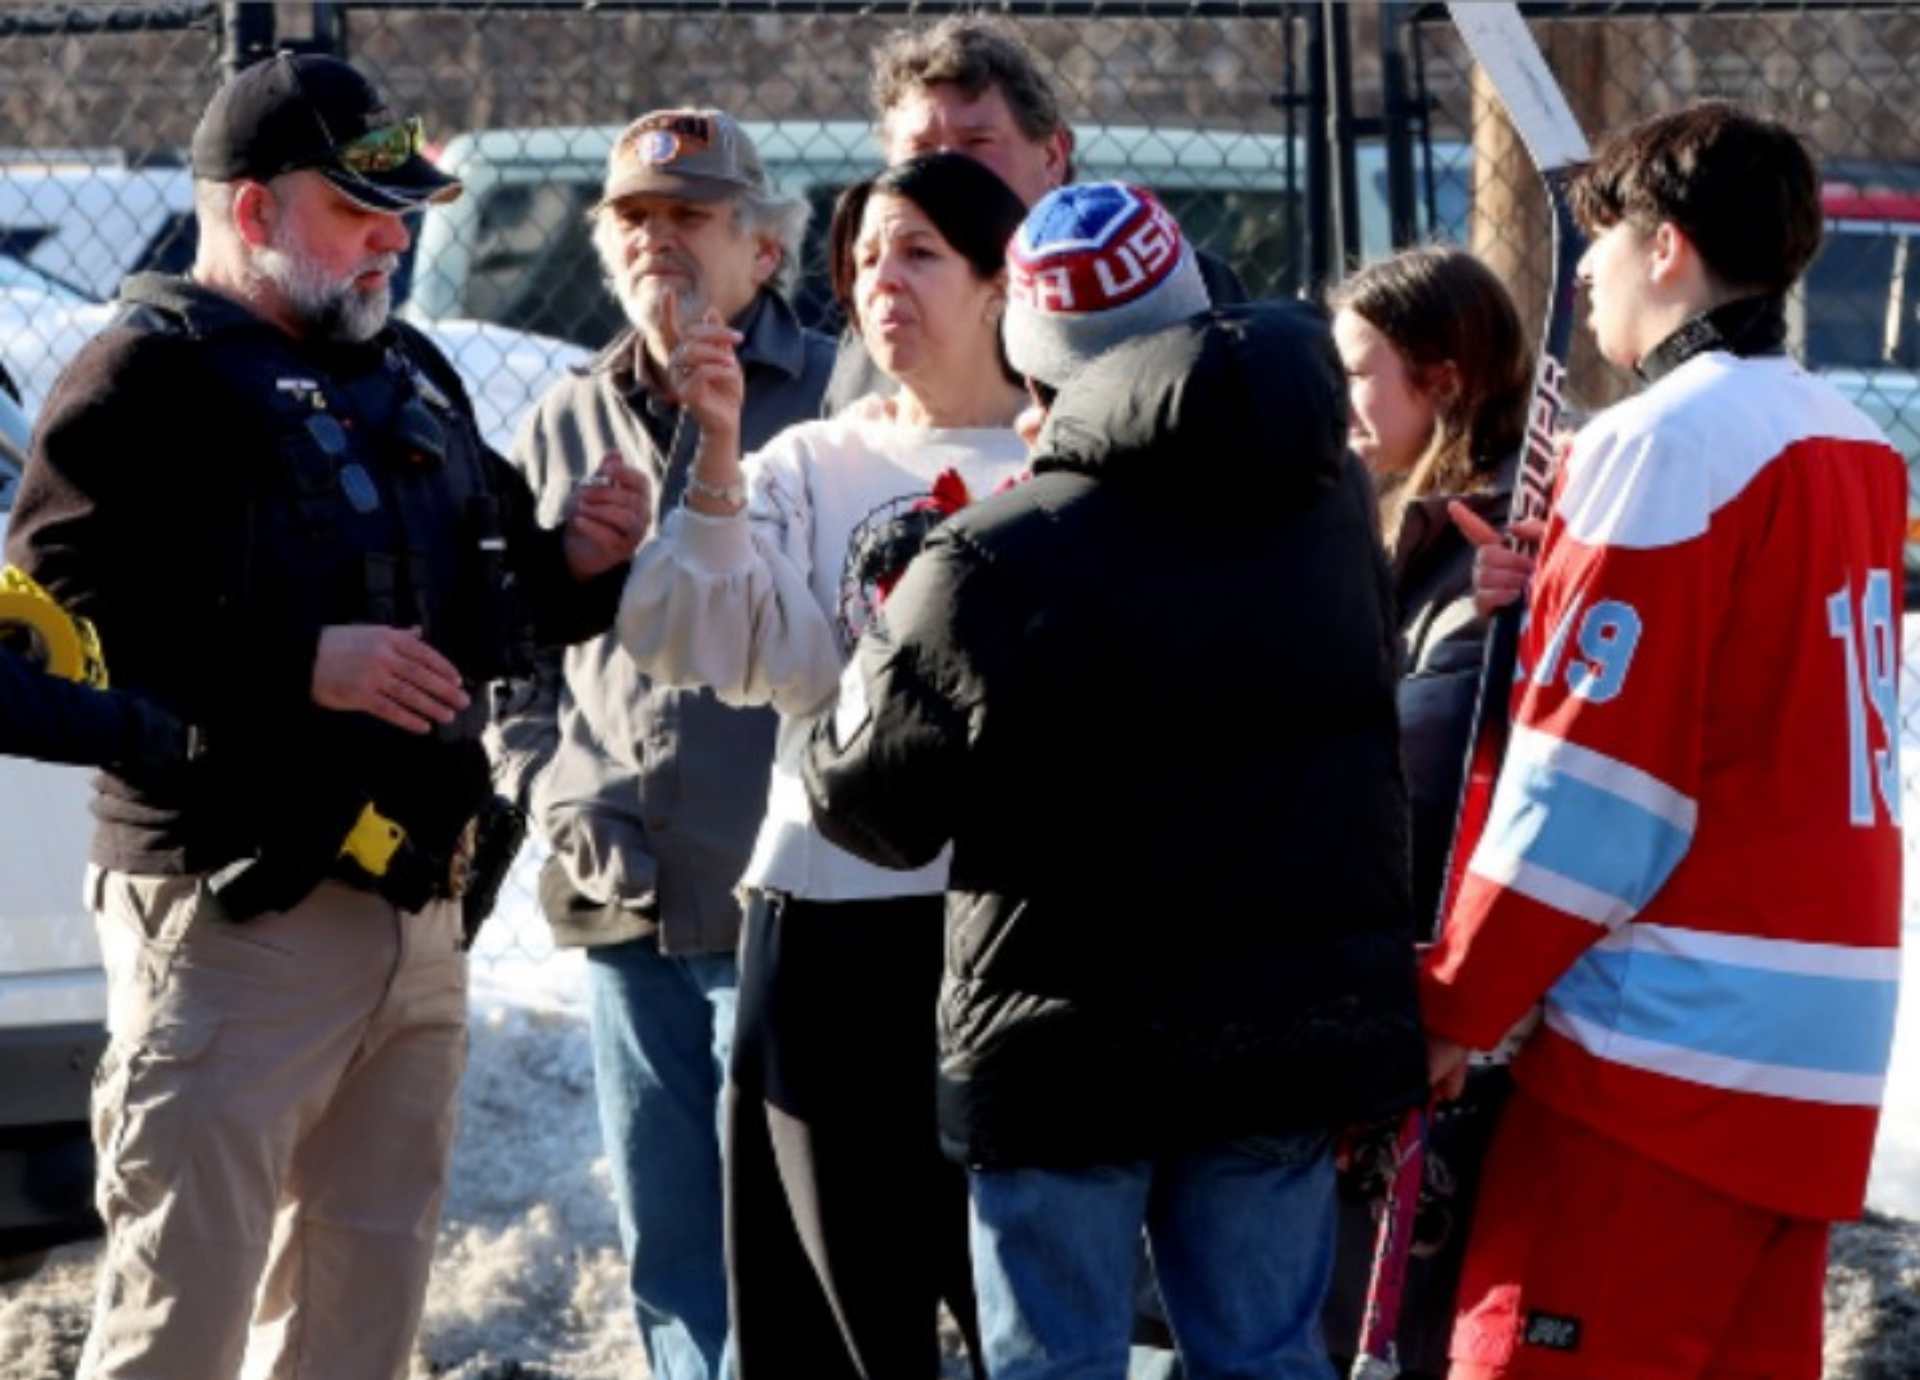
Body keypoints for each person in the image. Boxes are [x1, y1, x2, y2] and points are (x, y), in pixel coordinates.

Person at [4, 53, 648, 1380]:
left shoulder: (410, 371)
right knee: (178, 1326)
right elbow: (54, 627)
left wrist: (580, 561)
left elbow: (498, 598)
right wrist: (296, 663)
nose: (393, 240)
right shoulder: (144, 376)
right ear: (252, 211)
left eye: (401, 213)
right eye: (358, 211)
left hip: (417, 916)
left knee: (359, 1325)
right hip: (234, 915)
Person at [802, 180, 1428, 1380]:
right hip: (1285, 1027)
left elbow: (872, 808)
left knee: (1057, 1367)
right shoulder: (1329, 497)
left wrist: (893, 625)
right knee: (1267, 1360)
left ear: (1033, 358)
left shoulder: (994, 554)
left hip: (1062, 1048)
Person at [1420, 103, 1906, 1379]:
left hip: (1665, 1048)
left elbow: (1599, 790)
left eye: (1603, 238)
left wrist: (1456, 1003)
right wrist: (1562, 593)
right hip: (1820, 1047)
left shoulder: (1657, 442)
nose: (1582, 270)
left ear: (1667, 247)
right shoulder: (1856, 445)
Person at [615, 150, 1030, 1380]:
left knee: (1028, 1302)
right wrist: (717, 454)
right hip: (832, 920)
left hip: (1015, 925)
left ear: (1001, 283)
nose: (881, 281)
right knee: (834, 1319)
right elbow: (699, 641)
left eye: (919, 254)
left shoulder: (1066, 461)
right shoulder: (809, 461)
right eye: (865, 259)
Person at [486, 106, 831, 1380]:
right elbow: (507, 646)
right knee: (671, 1255)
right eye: (631, 219)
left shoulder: (838, 399)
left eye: (690, 216)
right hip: (621, 900)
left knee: (795, 1251)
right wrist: (545, 782)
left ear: (764, 247)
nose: (655, 241)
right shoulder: (564, 417)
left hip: (786, 905)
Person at [1321, 247, 1531, 1378]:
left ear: (1441, 381)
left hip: (1441, 1013)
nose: (1336, 400)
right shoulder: (1388, 529)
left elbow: (1418, 781)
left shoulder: (1490, 551)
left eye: (1358, 372)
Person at [822, 13, 1248, 415]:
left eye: (977, 143)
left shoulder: (1160, 284)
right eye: (922, 150)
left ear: (1051, 156)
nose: (948, 170)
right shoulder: (882, 324)